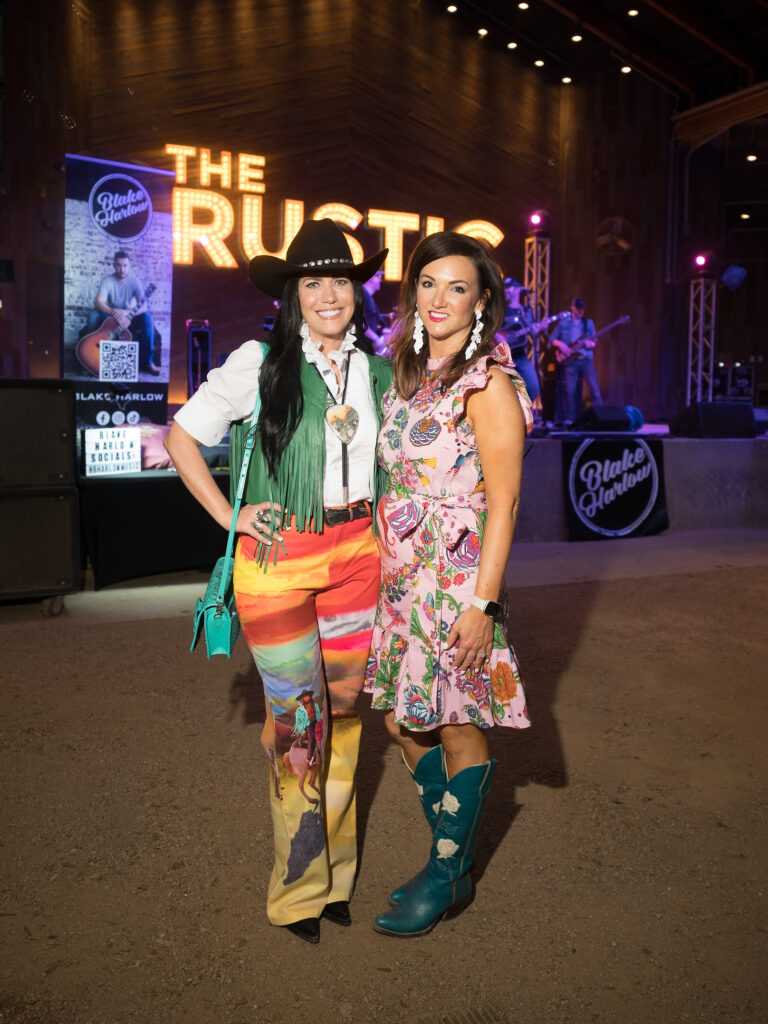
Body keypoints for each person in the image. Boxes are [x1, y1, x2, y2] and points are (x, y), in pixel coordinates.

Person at [164, 219, 392, 944]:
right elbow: (181, 437)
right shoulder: (258, 361)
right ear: (293, 294)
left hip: (359, 556)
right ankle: (298, 890)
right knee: (300, 726)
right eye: (313, 282)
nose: (329, 295)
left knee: (345, 723)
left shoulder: (377, 372)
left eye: (340, 281)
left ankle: (337, 878)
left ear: (356, 291)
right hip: (278, 559)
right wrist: (230, 515)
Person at [363, 231, 533, 937]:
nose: (439, 299)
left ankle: (443, 873)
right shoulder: (410, 375)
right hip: (403, 579)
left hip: (457, 581)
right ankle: (454, 861)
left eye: (457, 287)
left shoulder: (486, 383)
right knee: (403, 721)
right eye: (428, 283)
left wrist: (483, 605)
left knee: (457, 723)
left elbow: (506, 502)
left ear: (481, 301)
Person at [83, 250, 160, 375]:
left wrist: (126, 313)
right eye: (119, 265)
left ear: (129, 266)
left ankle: (148, 361)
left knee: (148, 319)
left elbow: (144, 306)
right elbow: (98, 302)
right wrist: (114, 313)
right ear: (114, 265)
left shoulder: (134, 281)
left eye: (125, 265)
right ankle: (87, 356)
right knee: (93, 316)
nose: (122, 269)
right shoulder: (107, 280)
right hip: (110, 315)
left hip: (129, 316)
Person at [549, 297, 603, 425]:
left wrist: (590, 344)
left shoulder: (588, 323)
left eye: (582, 308)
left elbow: (594, 341)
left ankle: (601, 418)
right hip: (570, 362)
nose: (580, 311)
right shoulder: (564, 323)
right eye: (578, 308)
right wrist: (561, 345)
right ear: (572, 307)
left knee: (595, 389)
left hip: (585, 360)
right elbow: (551, 340)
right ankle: (570, 419)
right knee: (570, 392)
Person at [499, 277, 540, 405]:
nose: (506, 291)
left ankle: (522, 412)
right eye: (505, 288)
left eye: (509, 288)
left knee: (533, 387)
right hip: (503, 358)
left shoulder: (526, 311)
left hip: (520, 356)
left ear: (518, 290)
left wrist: (538, 329)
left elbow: (532, 331)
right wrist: (499, 337)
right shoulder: (502, 310)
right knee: (503, 390)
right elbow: (491, 328)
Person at [361, 268, 389, 355]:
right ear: (371, 278)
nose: (381, 280)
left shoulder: (367, 296)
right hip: (365, 346)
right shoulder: (362, 294)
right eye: (379, 276)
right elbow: (358, 322)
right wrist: (377, 340)